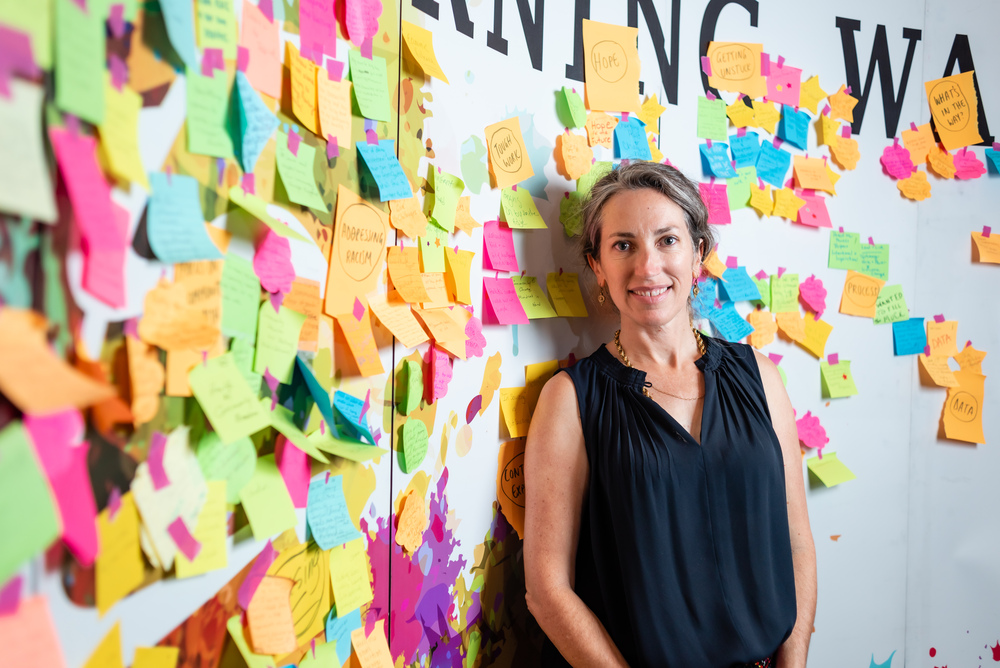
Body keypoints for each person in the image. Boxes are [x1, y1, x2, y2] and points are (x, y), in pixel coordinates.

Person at [523, 162, 816, 667]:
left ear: (698, 253)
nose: (647, 267)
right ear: (596, 266)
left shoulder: (762, 378)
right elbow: (547, 592)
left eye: (667, 240)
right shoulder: (570, 400)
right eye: (623, 245)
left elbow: (798, 543)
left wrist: (794, 662)